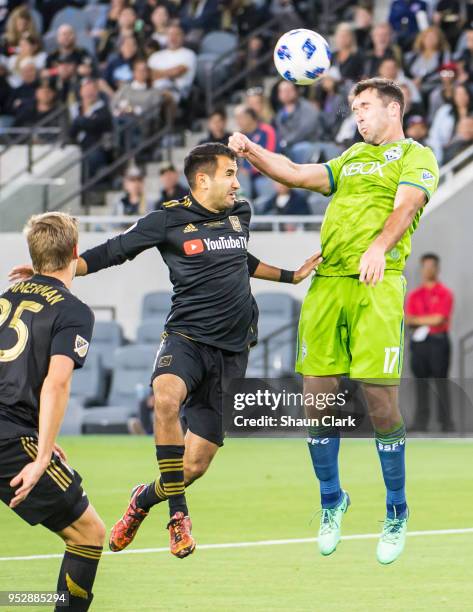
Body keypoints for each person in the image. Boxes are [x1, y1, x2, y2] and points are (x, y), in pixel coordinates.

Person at [10, 143, 322, 560]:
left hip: (232, 353)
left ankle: (143, 499)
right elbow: (113, 251)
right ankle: (178, 517)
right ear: (202, 180)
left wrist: (291, 276)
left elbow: (238, 259)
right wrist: (54, 270)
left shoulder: (240, 214)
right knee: (165, 397)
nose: (237, 181)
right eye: (230, 173)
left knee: (193, 466)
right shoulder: (167, 219)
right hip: (185, 339)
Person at [229, 77, 440, 565]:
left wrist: (377, 247)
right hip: (328, 285)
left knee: (381, 405)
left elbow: (407, 205)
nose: (358, 115)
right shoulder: (350, 158)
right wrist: (252, 151)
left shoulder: (416, 155)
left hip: (376, 283)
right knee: (317, 402)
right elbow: (297, 173)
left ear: (393, 109)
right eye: (353, 108)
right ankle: (332, 501)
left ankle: (396, 510)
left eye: (365, 106)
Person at [1, 212, 105, 611]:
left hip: (10, 429)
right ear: (75, 252)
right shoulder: (74, 311)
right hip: (9, 437)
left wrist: (43, 436)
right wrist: (41, 454)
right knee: (88, 534)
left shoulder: (6, 297)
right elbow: (56, 381)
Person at [406, 254, 454, 432]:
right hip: (419, 344)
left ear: (437, 269)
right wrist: (427, 319)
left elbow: (439, 319)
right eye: (424, 267)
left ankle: (446, 423)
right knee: (420, 383)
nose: (428, 270)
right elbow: (409, 319)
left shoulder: (444, 293)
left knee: (441, 383)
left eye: (431, 266)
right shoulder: (414, 295)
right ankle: (420, 423)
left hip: (438, 343)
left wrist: (421, 319)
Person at [147, 24, 196, 103]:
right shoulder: (155, 56)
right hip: (151, 89)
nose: (173, 38)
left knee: (161, 96)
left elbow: (175, 72)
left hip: (175, 91)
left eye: (177, 34)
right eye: (170, 34)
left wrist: (155, 73)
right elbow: (146, 74)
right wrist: (166, 73)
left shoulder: (189, 54)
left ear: (183, 37)